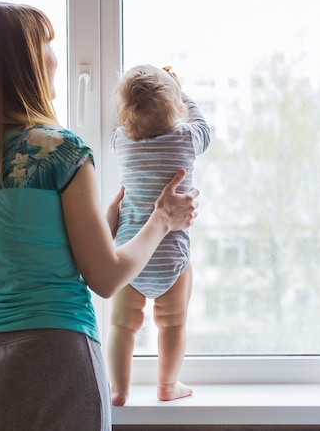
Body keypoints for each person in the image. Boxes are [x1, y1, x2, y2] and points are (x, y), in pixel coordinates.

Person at [0, 2, 200, 431]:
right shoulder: (60, 150)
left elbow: (24, 245)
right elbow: (106, 278)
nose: (55, 58)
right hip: (57, 355)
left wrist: (105, 223)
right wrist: (162, 218)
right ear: (25, 60)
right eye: (47, 45)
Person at [107, 64, 210, 406]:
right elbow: (203, 128)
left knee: (123, 327)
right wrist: (184, 94)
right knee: (172, 325)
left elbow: (116, 130)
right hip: (170, 258)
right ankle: (167, 385)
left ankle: (119, 390)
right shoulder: (186, 139)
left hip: (130, 255)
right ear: (176, 109)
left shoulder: (122, 142)